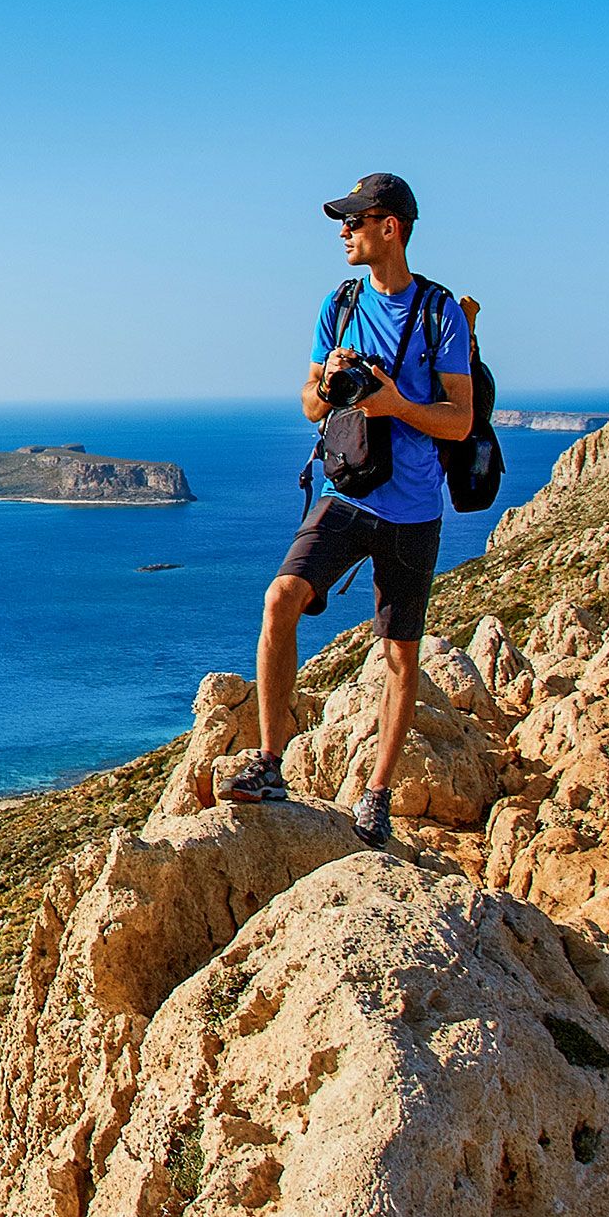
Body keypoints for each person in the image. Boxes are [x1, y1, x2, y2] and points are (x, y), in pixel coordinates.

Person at [217, 173, 475, 845]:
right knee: (280, 598)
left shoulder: (440, 313)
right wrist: (330, 386)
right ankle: (273, 762)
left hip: (413, 509)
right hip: (345, 491)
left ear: (390, 227)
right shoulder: (339, 304)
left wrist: (395, 405)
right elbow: (308, 401)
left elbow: (460, 419)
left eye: (356, 221)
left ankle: (378, 794)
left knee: (399, 654)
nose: (344, 231)